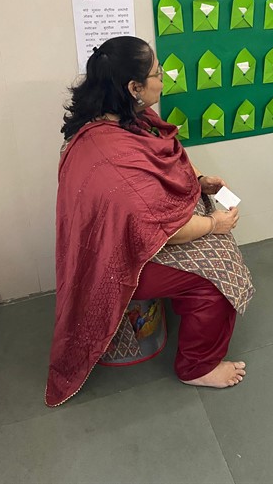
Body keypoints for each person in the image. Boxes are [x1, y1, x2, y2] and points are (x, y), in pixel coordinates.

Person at [45, 36, 254, 407]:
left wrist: (200, 180)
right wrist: (214, 225)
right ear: (134, 87)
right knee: (219, 273)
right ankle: (197, 366)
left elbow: (171, 156)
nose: (163, 79)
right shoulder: (112, 155)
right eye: (157, 73)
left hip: (133, 234)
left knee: (215, 230)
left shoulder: (125, 116)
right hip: (116, 263)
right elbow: (161, 229)